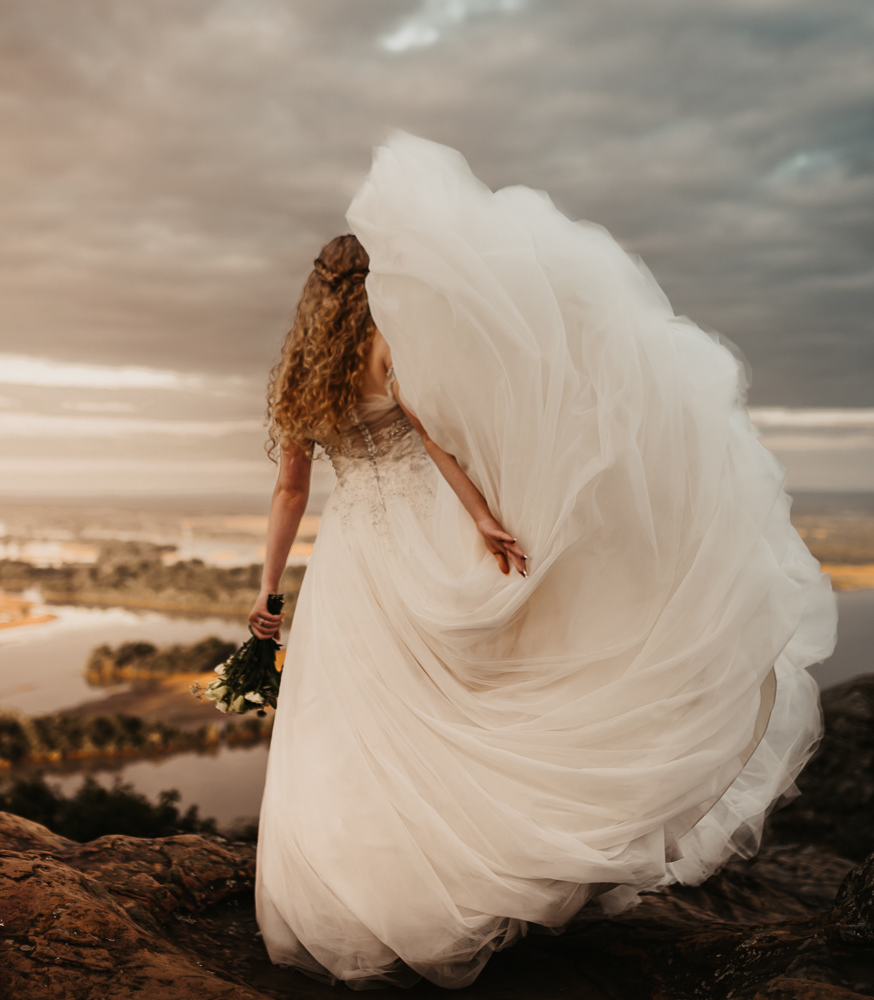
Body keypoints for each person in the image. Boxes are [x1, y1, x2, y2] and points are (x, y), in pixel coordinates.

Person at [249, 131, 838, 990]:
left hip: (350, 559)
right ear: (371, 288)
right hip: (420, 536)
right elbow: (434, 436)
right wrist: (485, 519)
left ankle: (369, 891)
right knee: (468, 702)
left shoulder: (299, 379)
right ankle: (477, 872)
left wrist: (267, 591)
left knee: (357, 726)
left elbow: (290, 493)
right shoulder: (389, 348)